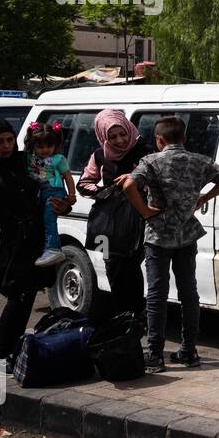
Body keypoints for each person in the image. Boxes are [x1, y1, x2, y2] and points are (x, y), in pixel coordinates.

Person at [121, 116, 219, 371]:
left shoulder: (150, 161)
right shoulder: (199, 160)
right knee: (189, 293)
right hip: (187, 235)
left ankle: (155, 355)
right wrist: (205, 196)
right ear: (184, 138)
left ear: (159, 140)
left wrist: (144, 211)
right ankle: (189, 351)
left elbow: (129, 184)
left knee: (156, 295)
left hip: (158, 237)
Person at [0, 119, 73, 372]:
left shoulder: (26, 160)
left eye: (9, 139)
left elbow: (49, 184)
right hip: (9, 242)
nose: (6, 146)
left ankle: (14, 352)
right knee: (17, 297)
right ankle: (2, 355)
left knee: (27, 297)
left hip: (35, 237)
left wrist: (64, 203)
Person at [77, 109, 153, 323]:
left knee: (131, 267)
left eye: (123, 134)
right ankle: (122, 319)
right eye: (112, 136)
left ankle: (136, 317)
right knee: (112, 267)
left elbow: (158, 179)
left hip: (137, 221)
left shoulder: (145, 150)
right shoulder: (99, 154)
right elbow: (84, 183)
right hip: (107, 225)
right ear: (103, 136)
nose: (120, 140)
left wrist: (136, 178)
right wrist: (103, 191)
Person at [25, 121, 75, 267]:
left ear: (55, 145)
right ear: (33, 145)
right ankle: (48, 248)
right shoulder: (30, 158)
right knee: (42, 220)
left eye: (49, 146)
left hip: (54, 191)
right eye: (40, 146)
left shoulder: (58, 159)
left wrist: (71, 195)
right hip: (40, 192)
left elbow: (68, 176)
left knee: (49, 219)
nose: (45, 149)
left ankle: (53, 248)